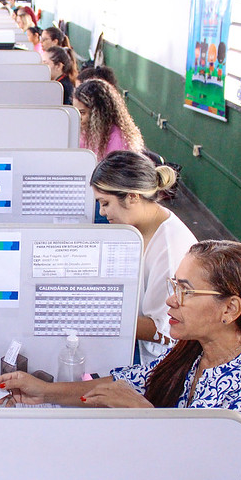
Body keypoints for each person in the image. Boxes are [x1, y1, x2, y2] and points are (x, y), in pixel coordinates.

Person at [0, 240, 241, 480]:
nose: (171, 300)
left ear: (230, 309)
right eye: (174, 286)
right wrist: (45, 392)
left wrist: (145, 416)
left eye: (185, 291)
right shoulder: (194, 352)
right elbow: (123, 385)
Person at [91, 151, 197, 364]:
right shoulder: (138, 227)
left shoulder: (169, 248)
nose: (102, 212)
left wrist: (97, 318)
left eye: (105, 203)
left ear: (132, 196)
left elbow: (165, 330)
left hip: (155, 359)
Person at [73, 78, 145, 160]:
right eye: (76, 111)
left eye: (82, 113)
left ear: (98, 114)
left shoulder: (118, 140)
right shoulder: (87, 132)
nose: (78, 117)